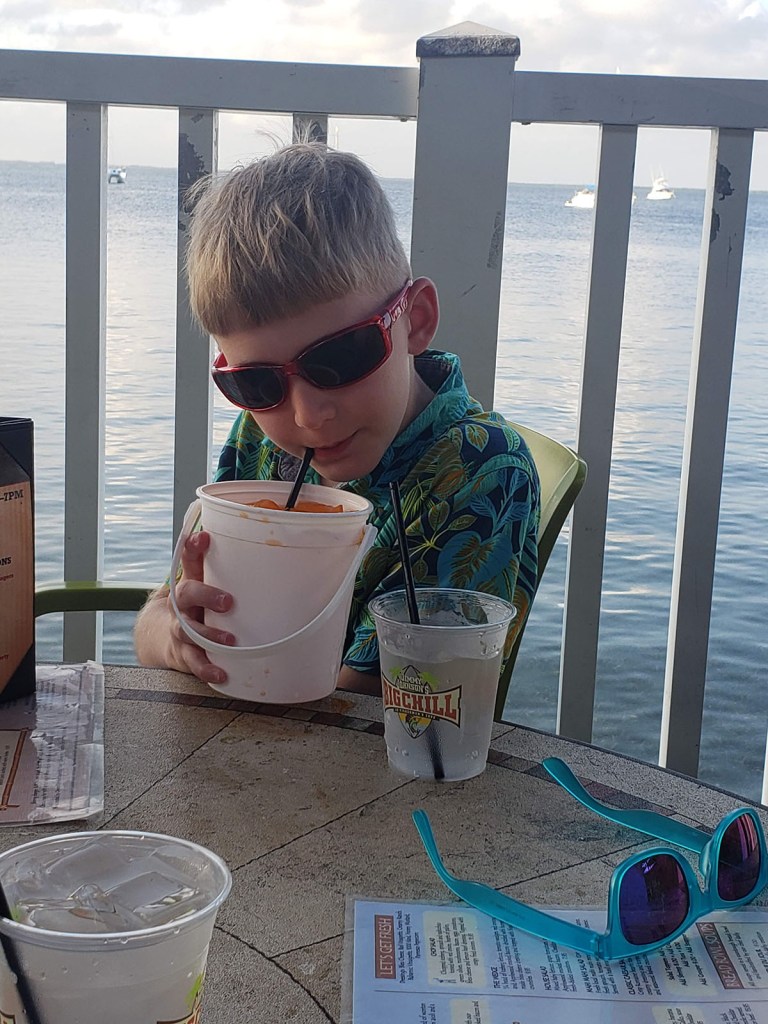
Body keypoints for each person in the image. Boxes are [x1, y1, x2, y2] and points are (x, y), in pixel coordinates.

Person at [134, 142, 540, 696]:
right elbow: (156, 618)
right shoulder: (260, 434)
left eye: (339, 358)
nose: (308, 415)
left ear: (414, 321)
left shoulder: (482, 471)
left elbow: (390, 704)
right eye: (258, 383)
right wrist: (177, 637)